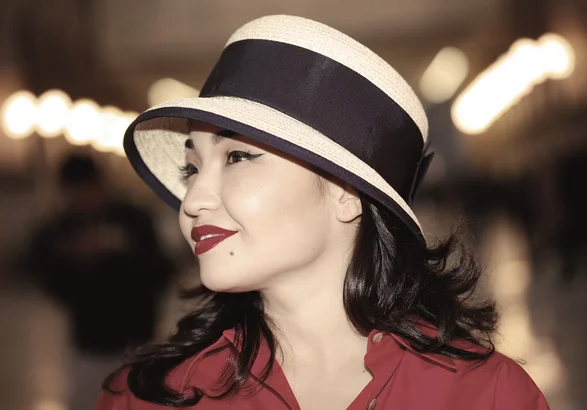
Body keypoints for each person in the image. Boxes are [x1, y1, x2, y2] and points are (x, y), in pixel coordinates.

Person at [96, 15, 550, 410]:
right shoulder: (147, 397)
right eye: (190, 167)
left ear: (345, 192)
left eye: (237, 157)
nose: (193, 200)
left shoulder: (488, 396)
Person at [27, 153, 173, 410]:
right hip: (89, 339)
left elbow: (161, 270)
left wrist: (119, 251)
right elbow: (45, 274)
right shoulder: (62, 227)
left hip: (137, 336)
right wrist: (74, 258)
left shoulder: (133, 219)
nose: (82, 199)